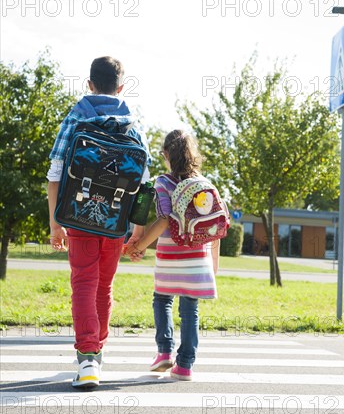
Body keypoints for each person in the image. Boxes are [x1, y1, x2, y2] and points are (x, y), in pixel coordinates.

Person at [47, 56, 150, 389]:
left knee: (83, 283)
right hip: (117, 222)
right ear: (121, 87)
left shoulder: (77, 116)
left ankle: (88, 357)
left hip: (78, 217)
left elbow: (55, 174)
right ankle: (96, 352)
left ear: (89, 84)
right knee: (103, 287)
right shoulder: (135, 125)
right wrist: (138, 231)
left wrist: (55, 223)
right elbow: (144, 185)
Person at [124, 129, 219, 381]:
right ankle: (185, 365)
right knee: (190, 309)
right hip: (198, 259)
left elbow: (164, 220)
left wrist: (139, 245)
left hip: (170, 258)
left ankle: (164, 352)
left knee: (162, 300)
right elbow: (216, 226)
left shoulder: (163, 183)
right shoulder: (205, 184)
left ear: (166, 155)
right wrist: (213, 266)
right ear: (193, 155)